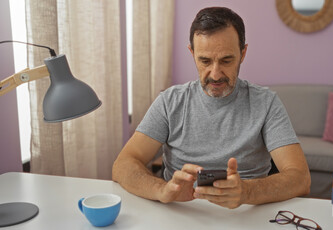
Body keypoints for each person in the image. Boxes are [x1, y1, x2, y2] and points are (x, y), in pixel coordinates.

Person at [112, 6, 310, 209]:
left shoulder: (266, 103)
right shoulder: (169, 102)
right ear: (192, 53)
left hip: (247, 215)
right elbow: (124, 164)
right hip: (182, 214)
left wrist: (247, 192)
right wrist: (162, 190)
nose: (215, 74)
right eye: (205, 60)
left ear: (243, 53)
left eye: (226, 60)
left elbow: (300, 178)